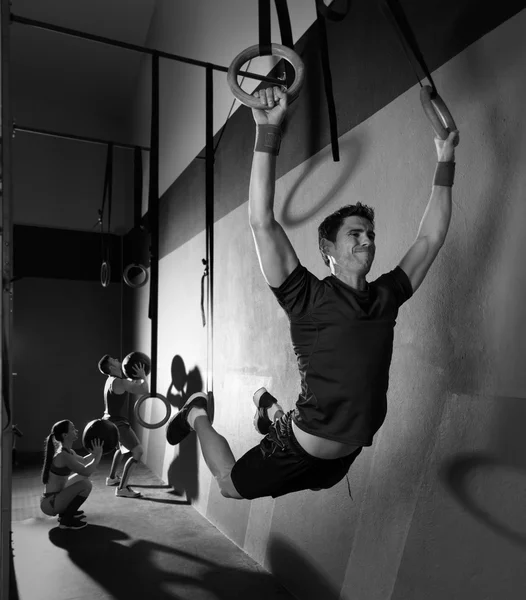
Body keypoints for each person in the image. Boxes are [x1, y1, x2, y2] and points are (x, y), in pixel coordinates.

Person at [166, 86, 459, 500]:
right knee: (231, 486)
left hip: (341, 462)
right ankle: (196, 413)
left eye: (371, 235)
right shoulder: (306, 296)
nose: (368, 241)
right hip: (297, 450)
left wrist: (445, 159)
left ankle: (267, 408)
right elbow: (262, 221)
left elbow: (430, 238)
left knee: (315, 473)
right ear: (328, 251)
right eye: (355, 234)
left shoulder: (385, 296)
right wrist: (267, 133)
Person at [97, 355, 148, 498]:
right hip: (117, 423)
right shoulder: (119, 382)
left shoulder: (111, 380)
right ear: (111, 367)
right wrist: (143, 376)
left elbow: (131, 384)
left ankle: (112, 478)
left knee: (121, 449)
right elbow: (144, 389)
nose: (117, 360)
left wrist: (136, 377)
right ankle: (122, 488)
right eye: (114, 360)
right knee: (138, 451)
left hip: (109, 420)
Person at [40, 420, 103, 529]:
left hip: (53, 499)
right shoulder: (63, 455)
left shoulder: (68, 452)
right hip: (51, 504)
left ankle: (66, 513)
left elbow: (83, 460)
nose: (76, 431)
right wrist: (98, 455)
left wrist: (94, 453)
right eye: (73, 429)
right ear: (65, 435)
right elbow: (86, 471)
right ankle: (66, 521)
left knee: (82, 479)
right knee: (85, 485)